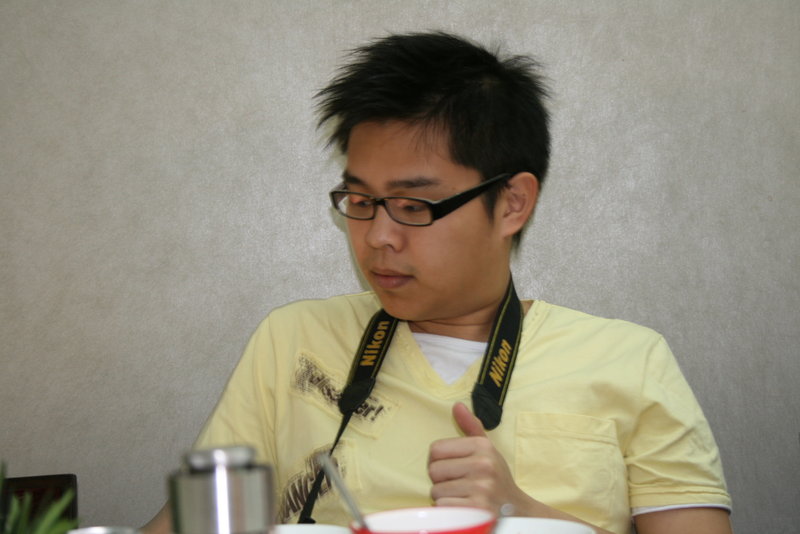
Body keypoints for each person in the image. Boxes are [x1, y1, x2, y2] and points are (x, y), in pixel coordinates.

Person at [143, 32, 732, 534]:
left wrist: (520, 514)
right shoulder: (294, 339)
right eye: (360, 200)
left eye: (414, 205)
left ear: (512, 202)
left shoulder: (630, 360)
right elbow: (189, 526)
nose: (378, 237)